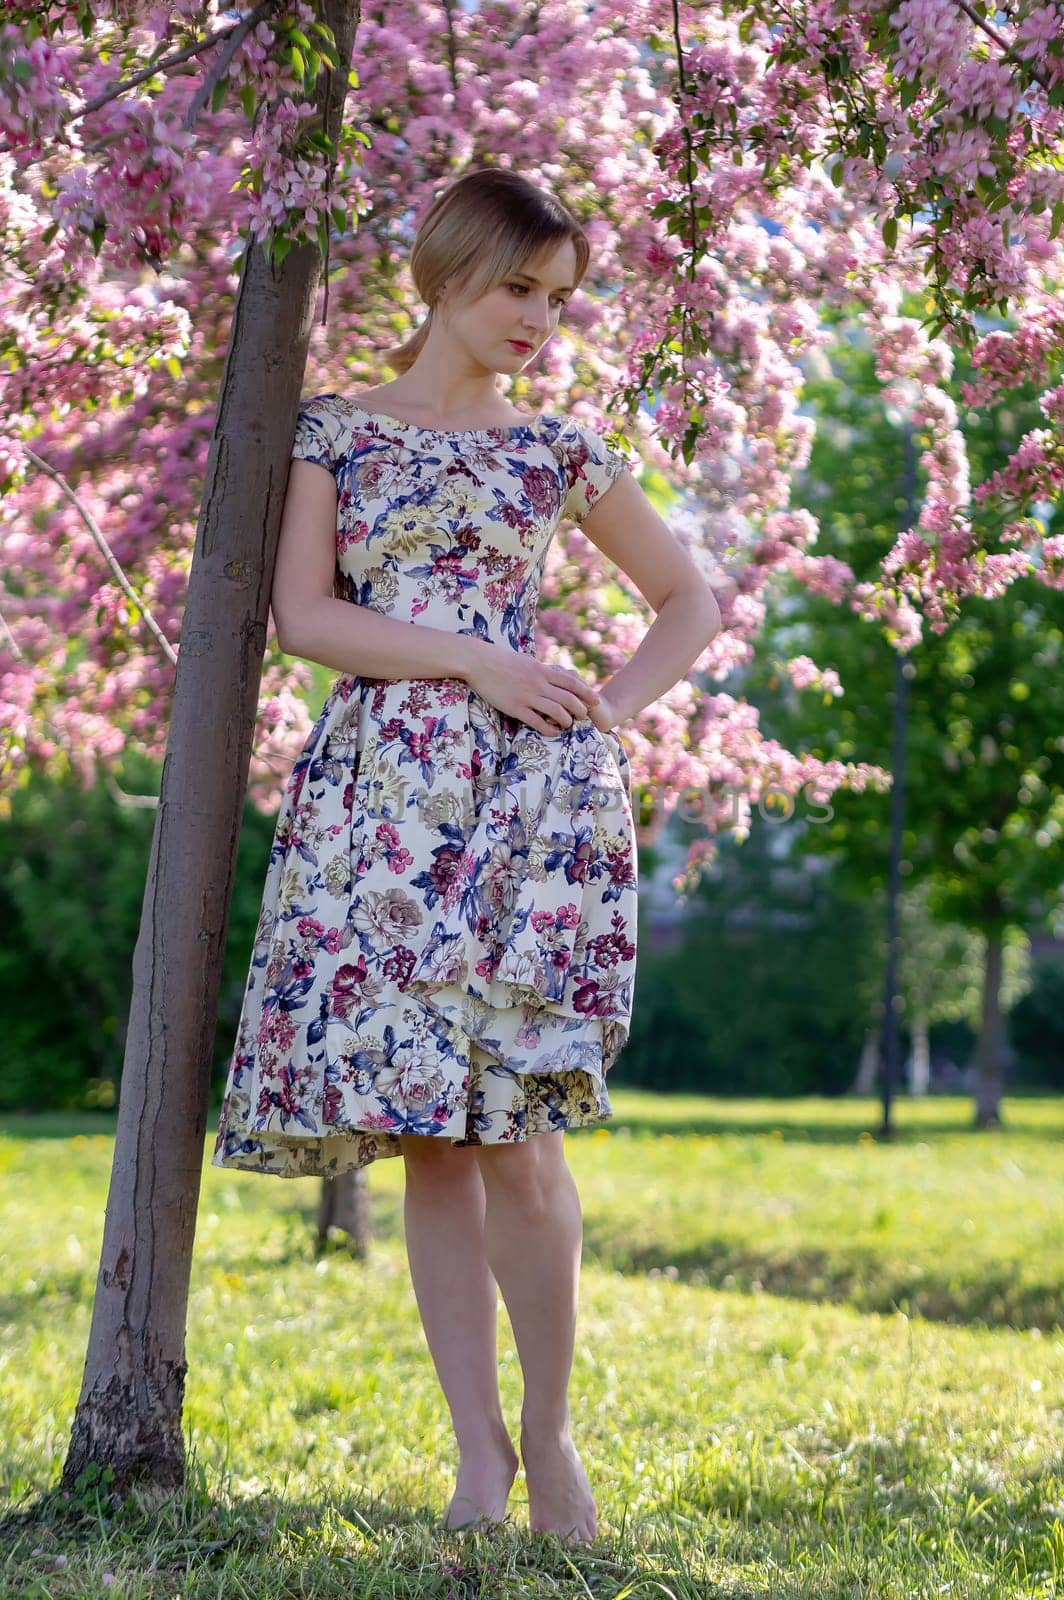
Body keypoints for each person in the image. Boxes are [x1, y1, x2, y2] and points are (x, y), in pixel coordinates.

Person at [210, 167, 722, 1545]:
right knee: (431, 1141)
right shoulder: (334, 432)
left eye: (559, 301)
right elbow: (307, 618)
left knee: (523, 1142)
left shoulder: (556, 446)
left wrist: (603, 710)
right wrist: (478, 661)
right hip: (381, 808)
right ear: (444, 276)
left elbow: (691, 597)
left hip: (525, 813)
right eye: (517, 291)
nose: (540, 323)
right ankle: (477, 1456)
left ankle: (554, 1444)